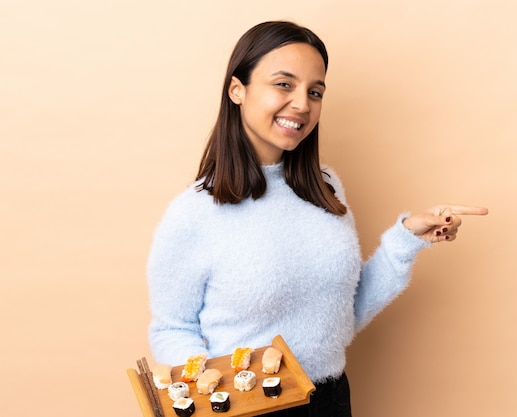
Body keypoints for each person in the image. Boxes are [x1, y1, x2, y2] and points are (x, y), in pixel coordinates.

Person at [146, 20, 488, 417]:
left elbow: (340, 316)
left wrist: (406, 239)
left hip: (330, 400)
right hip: (244, 407)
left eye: (315, 91)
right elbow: (172, 329)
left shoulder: (326, 188)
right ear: (237, 89)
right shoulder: (194, 213)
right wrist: (214, 398)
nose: (302, 104)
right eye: (284, 84)